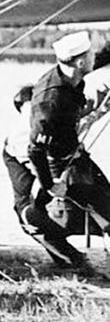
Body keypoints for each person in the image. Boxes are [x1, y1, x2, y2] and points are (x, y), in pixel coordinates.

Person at [4, 84, 94, 273]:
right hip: (32, 162)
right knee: (30, 213)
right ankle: (70, 258)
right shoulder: (38, 119)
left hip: (39, 163)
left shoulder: (38, 117)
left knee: (27, 213)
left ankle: (70, 259)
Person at [29, 31, 110, 237]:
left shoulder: (68, 74)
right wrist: (50, 186)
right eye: (91, 54)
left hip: (75, 155)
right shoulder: (51, 102)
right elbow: (35, 150)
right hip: (61, 165)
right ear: (81, 63)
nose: (95, 57)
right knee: (105, 213)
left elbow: (102, 57)